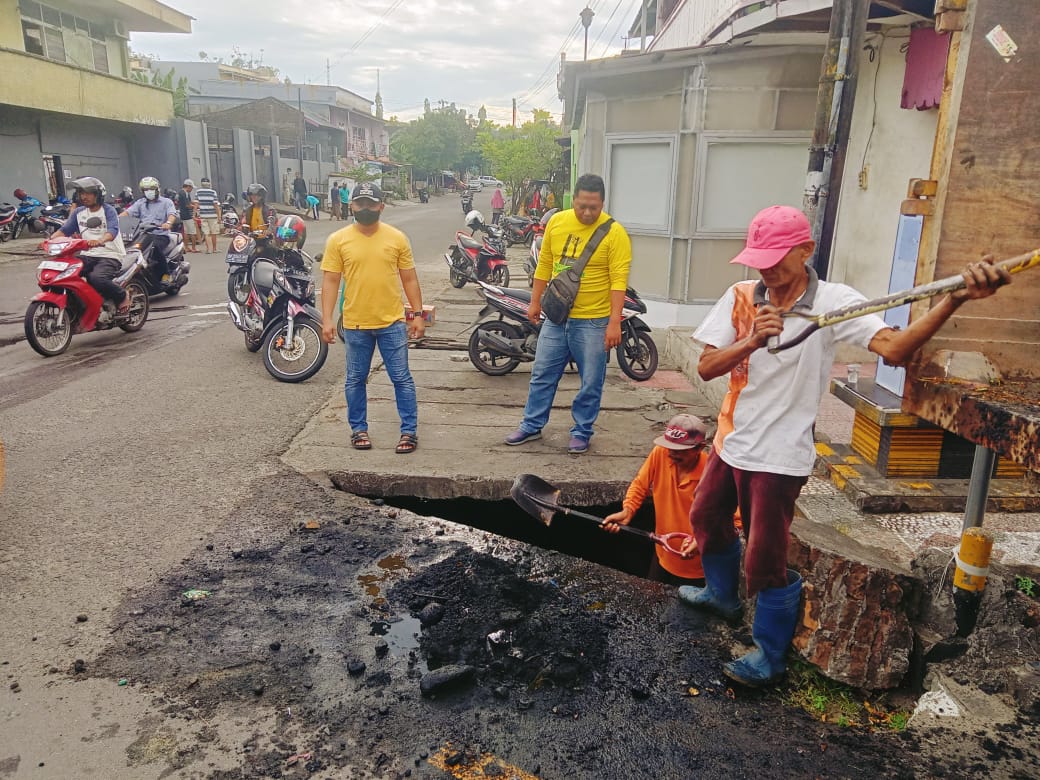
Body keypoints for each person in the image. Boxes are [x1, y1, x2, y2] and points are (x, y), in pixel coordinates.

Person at [678, 204, 1013, 688]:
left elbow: (895, 350)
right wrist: (751, 341)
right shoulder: (740, 297)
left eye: (777, 258)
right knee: (706, 519)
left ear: (806, 251)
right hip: (732, 440)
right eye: (759, 259)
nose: (766, 270)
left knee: (765, 560)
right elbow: (708, 367)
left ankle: (769, 654)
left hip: (779, 456)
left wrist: (955, 299)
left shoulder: (834, 302)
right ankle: (721, 595)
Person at [504, 173, 632, 454]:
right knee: (542, 374)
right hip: (557, 317)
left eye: (593, 207)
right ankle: (531, 425)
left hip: (594, 322)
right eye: (582, 205)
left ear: (602, 204)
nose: (587, 212)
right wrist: (535, 302)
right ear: (573, 200)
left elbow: (618, 281)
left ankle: (582, 430)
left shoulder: (615, 233)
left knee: (591, 381)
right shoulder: (557, 223)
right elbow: (545, 265)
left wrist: (614, 323)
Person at [319, 182, 425, 455]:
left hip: (391, 322)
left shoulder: (397, 238)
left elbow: (409, 278)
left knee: (401, 378)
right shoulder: (338, 240)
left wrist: (417, 314)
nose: (365, 208)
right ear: (351, 205)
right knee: (355, 378)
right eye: (360, 203)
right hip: (355, 324)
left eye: (371, 203)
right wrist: (327, 319)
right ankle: (358, 429)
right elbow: (330, 281)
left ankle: (409, 432)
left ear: (381, 206)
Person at [603, 415, 728, 586]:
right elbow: (640, 484)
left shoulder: (712, 474)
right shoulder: (661, 453)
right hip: (663, 554)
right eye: (669, 447)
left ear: (700, 447)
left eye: (680, 450)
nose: (671, 454)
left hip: (698, 569)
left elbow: (734, 520)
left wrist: (703, 538)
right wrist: (628, 509)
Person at [50, 177, 130, 312]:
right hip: (88, 254)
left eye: (88, 193)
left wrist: (101, 240)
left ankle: (122, 295)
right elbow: (65, 230)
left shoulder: (108, 210)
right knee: (63, 273)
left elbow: (113, 230)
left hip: (110, 254)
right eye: (81, 193)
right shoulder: (78, 212)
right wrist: (49, 241)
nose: (83, 196)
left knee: (96, 278)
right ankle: (78, 303)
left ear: (98, 195)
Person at [120, 176, 176, 281]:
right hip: (142, 235)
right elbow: (127, 213)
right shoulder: (140, 203)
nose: (148, 192)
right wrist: (116, 220)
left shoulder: (166, 202)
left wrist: (168, 223)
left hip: (160, 235)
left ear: (157, 189)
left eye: (151, 189)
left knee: (153, 247)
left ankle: (166, 275)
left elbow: (172, 214)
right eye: (146, 190)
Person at [194, 177, 221, 253]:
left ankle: (208, 249)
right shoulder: (213, 192)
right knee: (213, 232)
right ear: (209, 183)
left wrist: (194, 215)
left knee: (206, 233)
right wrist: (219, 216)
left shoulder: (198, 192)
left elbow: (196, 204)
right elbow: (216, 205)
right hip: (213, 215)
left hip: (203, 215)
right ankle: (215, 249)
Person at [177, 179, 198, 253]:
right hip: (187, 215)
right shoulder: (184, 193)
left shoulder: (180, 192)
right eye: (191, 188)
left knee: (186, 232)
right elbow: (187, 205)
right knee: (192, 232)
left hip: (182, 214)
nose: (192, 189)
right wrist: (195, 206)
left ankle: (186, 247)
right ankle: (193, 248)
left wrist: (193, 202)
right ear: (188, 186)